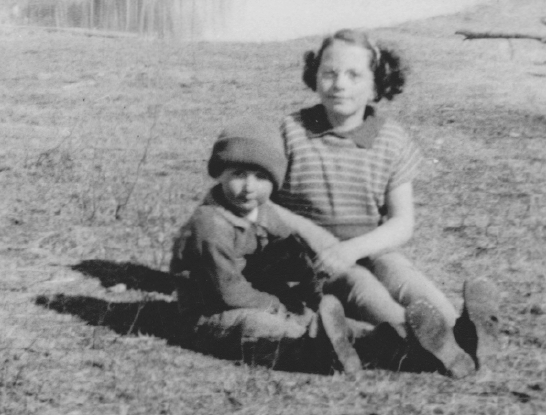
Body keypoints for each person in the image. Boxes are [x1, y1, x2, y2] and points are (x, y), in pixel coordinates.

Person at [274, 29, 501, 378]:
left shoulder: (391, 139)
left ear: (376, 85)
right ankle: (422, 342)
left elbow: (401, 223)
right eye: (329, 73)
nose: (339, 84)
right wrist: (329, 250)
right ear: (314, 76)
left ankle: (464, 332)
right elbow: (267, 205)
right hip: (313, 261)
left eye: (354, 75)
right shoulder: (291, 132)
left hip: (368, 247)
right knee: (372, 298)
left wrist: (354, 248)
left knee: (402, 276)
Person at [170, 120, 368, 374]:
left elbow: (294, 258)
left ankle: (388, 341)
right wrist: (275, 305)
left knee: (310, 317)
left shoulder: (264, 213)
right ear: (220, 174)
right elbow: (227, 291)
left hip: (262, 299)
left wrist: (309, 291)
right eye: (238, 174)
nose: (249, 187)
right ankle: (317, 352)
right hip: (212, 316)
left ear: (274, 182)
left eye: (261, 177)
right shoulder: (210, 226)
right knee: (261, 325)